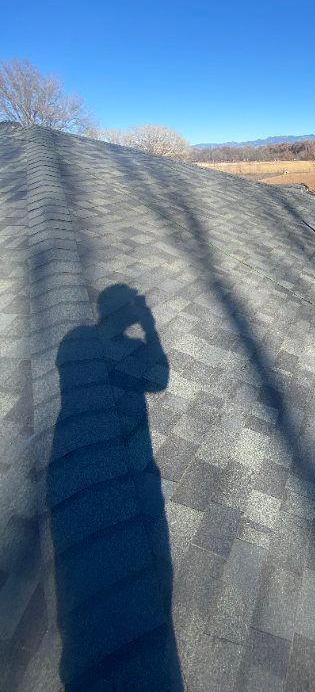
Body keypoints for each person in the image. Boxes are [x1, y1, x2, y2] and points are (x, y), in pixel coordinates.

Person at [48, 284, 182, 691]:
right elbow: (158, 380)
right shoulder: (83, 341)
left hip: (68, 457)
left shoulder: (74, 341)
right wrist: (152, 329)